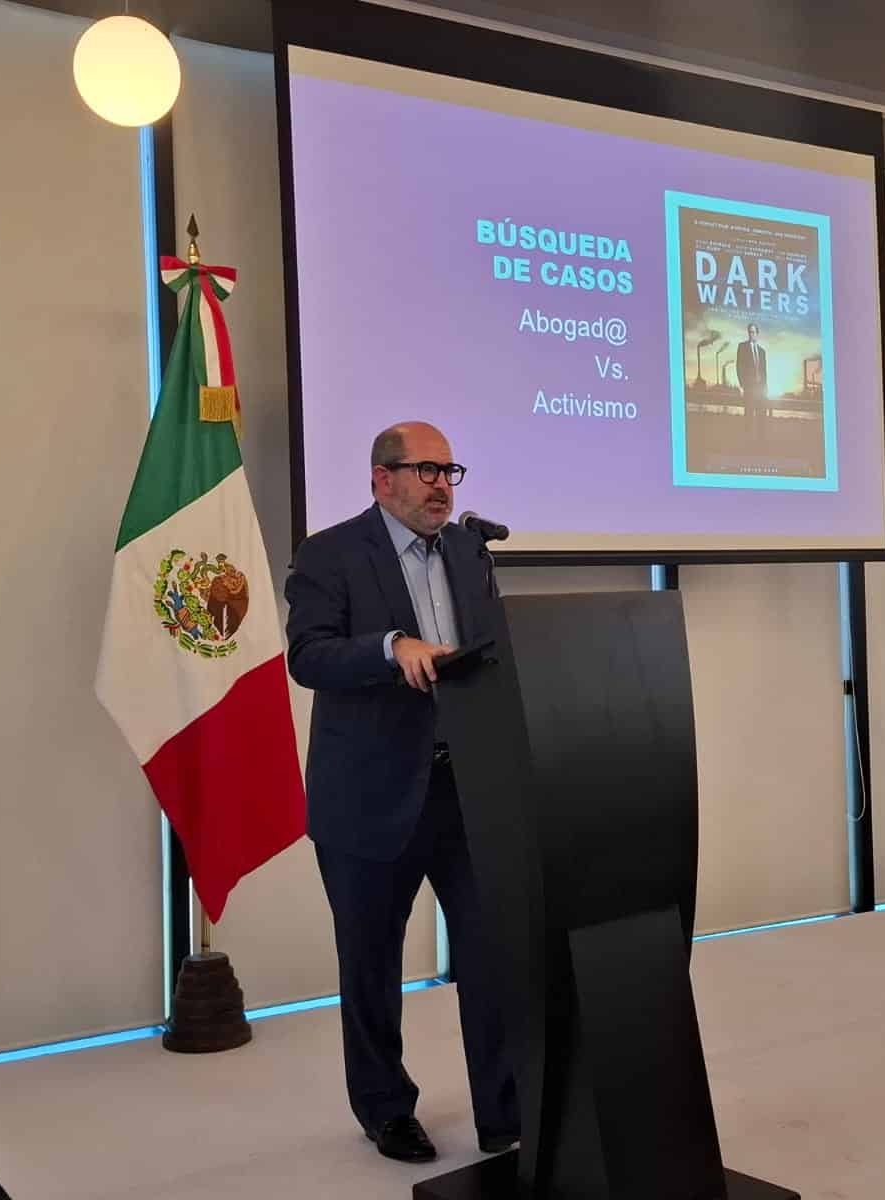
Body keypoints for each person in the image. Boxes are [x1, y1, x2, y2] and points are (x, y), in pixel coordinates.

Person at [284, 421, 518, 1165]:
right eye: (424, 471)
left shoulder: (468, 552)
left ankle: (505, 1110)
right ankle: (385, 1109)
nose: (441, 485)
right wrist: (390, 648)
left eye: (449, 470)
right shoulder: (330, 553)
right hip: (368, 794)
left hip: (467, 788)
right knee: (372, 966)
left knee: (492, 956)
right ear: (382, 478)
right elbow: (309, 656)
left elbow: (488, 655)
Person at [736, 323, 770, 435]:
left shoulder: (762, 351)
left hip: (761, 389)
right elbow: (739, 367)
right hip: (749, 388)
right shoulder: (742, 347)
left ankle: (761, 440)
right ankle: (748, 439)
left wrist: (766, 389)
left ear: (757, 334)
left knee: (761, 414)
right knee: (749, 414)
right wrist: (741, 386)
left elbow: (764, 372)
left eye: (754, 332)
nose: (752, 334)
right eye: (750, 332)